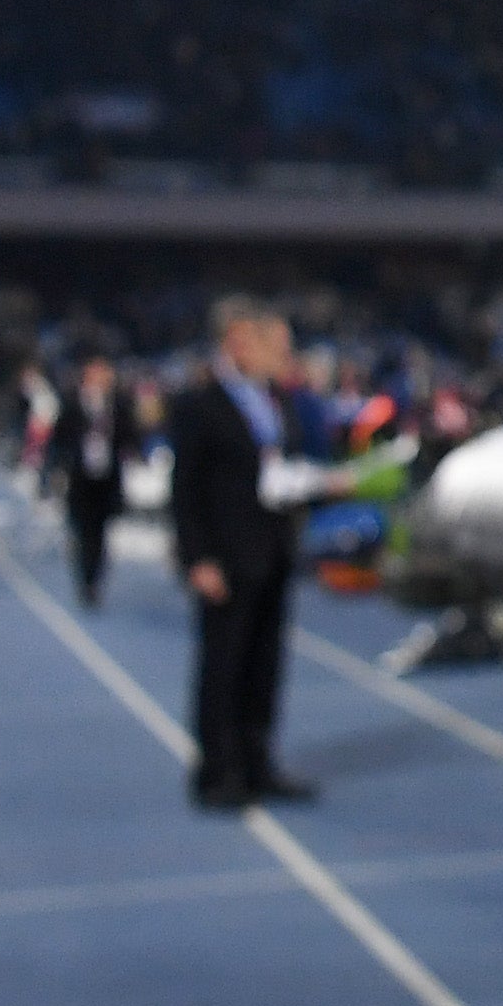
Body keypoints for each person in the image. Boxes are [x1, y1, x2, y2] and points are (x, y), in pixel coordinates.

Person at [163, 298, 318, 811]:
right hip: (225, 557)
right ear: (240, 341)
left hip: (272, 551)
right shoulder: (200, 405)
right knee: (222, 667)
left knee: (265, 665)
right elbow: (184, 490)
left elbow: (283, 466)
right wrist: (197, 558)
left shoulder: (277, 401)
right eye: (276, 346)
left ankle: (258, 761)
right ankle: (217, 772)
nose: (285, 356)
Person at [52, 360, 140, 608]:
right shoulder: (72, 404)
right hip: (80, 479)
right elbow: (61, 437)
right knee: (83, 531)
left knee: (101, 534)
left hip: (107, 478)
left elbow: (129, 434)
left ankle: (95, 582)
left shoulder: (118, 405)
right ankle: (85, 579)